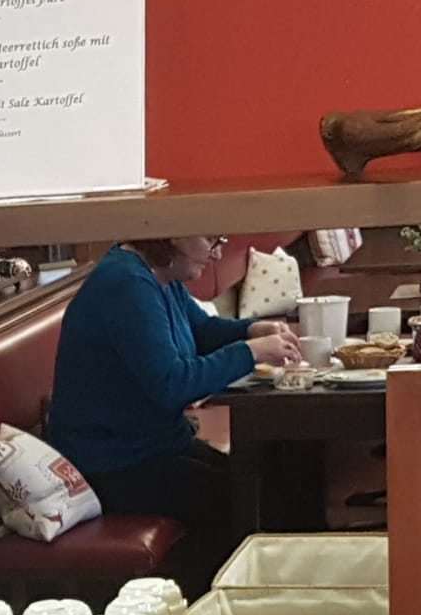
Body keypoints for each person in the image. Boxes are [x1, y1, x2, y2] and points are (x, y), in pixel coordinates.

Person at [44, 238, 304, 591]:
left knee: (263, 483)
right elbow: (173, 383)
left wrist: (250, 329)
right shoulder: (126, 285)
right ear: (173, 234)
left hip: (152, 446)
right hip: (110, 464)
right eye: (210, 239)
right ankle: (202, 603)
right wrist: (249, 352)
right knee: (245, 502)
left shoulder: (159, 276)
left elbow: (200, 330)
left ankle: (267, 593)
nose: (217, 252)